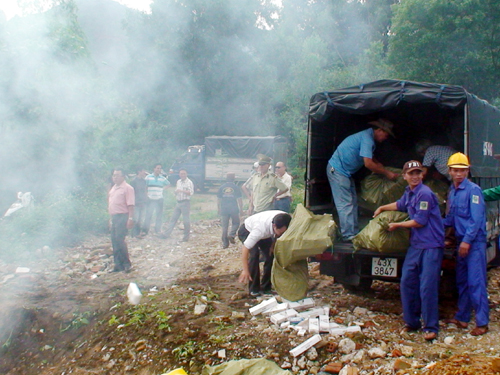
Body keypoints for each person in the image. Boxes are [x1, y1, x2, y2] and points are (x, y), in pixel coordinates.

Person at [374, 160, 444, 341]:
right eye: (411, 173)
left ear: (422, 175)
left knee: (427, 286)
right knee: (406, 282)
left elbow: (419, 221)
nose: (414, 176)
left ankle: (430, 327)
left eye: (417, 173)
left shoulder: (425, 194)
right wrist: (382, 207)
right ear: (404, 176)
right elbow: (400, 205)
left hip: (431, 245)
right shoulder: (409, 192)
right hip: (416, 245)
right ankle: (412, 322)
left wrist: (397, 225)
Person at [327, 118, 398, 242]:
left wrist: (379, 164)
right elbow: (368, 164)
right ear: (380, 130)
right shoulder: (367, 139)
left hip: (345, 173)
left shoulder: (367, 137)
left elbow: (370, 157)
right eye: (385, 135)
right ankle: (348, 235)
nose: (385, 138)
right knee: (346, 203)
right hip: (338, 170)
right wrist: (387, 173)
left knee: (353, 201)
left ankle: (353, 232)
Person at [443, 152, 489, 335]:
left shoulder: (473, 190)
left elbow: (476, 219)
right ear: (450, 171)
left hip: (474, 242)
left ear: (468, 171)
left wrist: (467, 242)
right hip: (460, 241)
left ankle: (482, 322)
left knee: (476, 281)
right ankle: (462, 317)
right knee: (461, 280)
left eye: (462, 170)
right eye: (455, 170)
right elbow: (450, 218)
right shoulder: (452, 191)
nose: (459, 174)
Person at [237, 211, 292, 297]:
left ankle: (266, 288)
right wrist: (245, 270)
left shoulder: (285, 218)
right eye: (280, 232)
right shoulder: (259, 230)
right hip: (247, 230)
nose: (282, 234)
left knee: (271, 256)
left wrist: (272, 246)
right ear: (274, 226)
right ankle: (254, 289)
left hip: (266, 233)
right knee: (254, 255)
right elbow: (245, 249)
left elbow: (279, 234)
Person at [108, 168, 135, 272]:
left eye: (117, 175)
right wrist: (110, 219)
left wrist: (131, 218)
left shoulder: (128, 188)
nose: (115, 177)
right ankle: (117, 265)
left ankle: (126, 264)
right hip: (114, 217)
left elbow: (131, 205)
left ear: (123, 176)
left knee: (120, 240)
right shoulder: (113, 188)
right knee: (114, 241)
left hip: (123, 216)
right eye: (114, 175)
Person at [162, 169, 194, 241]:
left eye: (184, 173)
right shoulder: (178, 182)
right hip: (178, 202)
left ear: (186, 174)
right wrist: (176, 192)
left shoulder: (189, 182)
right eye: (181, 174)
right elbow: (176, 191)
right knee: (173, 218)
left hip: (185, 202)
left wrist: (182, 191)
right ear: (179, 174)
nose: (182, 175)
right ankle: (166, 234)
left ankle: (186, 237)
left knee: (186, 220)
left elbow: (191, 193)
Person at [217, 173, 243, 248]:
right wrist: (241, 209)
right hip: (233, 209)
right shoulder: (236, 187)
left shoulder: (222, 187)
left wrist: (219, 208)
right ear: (234, 178)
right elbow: (239, 199)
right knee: (236, 223)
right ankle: (231, 234)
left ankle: (225, 243)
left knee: (225, 226)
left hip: (224, 209)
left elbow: (219, 199)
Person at [143, 164, 170, 235]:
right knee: (148, 215)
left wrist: (163, 189)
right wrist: (146, 195)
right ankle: (145, 230)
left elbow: (168, 184)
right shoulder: (148, 177)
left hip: (159, 199)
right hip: (150, 199)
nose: (159, 170)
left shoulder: (162, 178)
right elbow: (144, 186)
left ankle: (157, 230)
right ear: (154, 169)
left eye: (160, 169)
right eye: (157, 168)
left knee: (159, 215)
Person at [130, 167, 148, 238]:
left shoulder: (144, 181)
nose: (145, 172)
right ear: (139, 171)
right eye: (143, 171)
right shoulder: (133, 181)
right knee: (136, 219)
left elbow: (145, 190)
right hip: (136, 202)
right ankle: (134, 234)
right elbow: (131, 192)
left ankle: (138, 233)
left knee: (141, 219)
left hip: (143, 202)